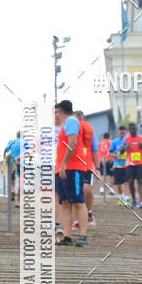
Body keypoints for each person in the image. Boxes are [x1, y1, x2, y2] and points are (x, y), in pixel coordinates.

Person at [54, 100, 88, 246]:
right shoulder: (66, 124)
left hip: (72, 168)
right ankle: (67, 236)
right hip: (63, 168)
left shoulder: (71, 121)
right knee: (66, 203)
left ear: (60, 112)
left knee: (78, 202)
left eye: (55, 112)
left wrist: (63, 165)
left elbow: (72, 143)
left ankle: (83, 236)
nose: (55, 116)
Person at [75, 110, 99, 228]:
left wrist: (97, 167)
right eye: (76, 115)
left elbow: (94, 150)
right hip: (72, 166)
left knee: (87, 190)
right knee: (75, 192)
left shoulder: (89, 132)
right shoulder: (70, 131)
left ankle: (88, 212)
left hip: (86, 166)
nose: (79, 117)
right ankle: (76, 219)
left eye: (80, 115)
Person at [124, 122, 142, 208]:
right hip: (130, 163)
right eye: (131, 129)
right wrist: (125, 148)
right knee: (130, 181)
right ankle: (134, 200)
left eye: (134, 129)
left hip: (140, 163)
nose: (132, 130)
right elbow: (121, 151)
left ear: (136, 129)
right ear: (129, 130)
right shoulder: (126, 139)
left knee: (140, 181)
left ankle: (141, 201)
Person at [110, 125, 129, 206]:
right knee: (118, 184)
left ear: (125, 132)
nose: (122, 134)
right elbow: (110, 152)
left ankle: (127, 199)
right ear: (118, 133)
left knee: (126, 182)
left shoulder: (128, 141)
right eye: (120, 132)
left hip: (127, 165)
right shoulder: (114, 142)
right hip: (117, 165)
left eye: (123, 132)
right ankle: (121, 198)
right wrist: (115, 156)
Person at [3, 131, 21, 206]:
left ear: (16, 135)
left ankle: (12, 189)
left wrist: (4, 159)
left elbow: (5, 150)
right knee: (21, 180)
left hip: (11, 162)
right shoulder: (25, 142)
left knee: (12, 179)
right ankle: (19, 199)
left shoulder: (12, 141)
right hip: (22, 163)